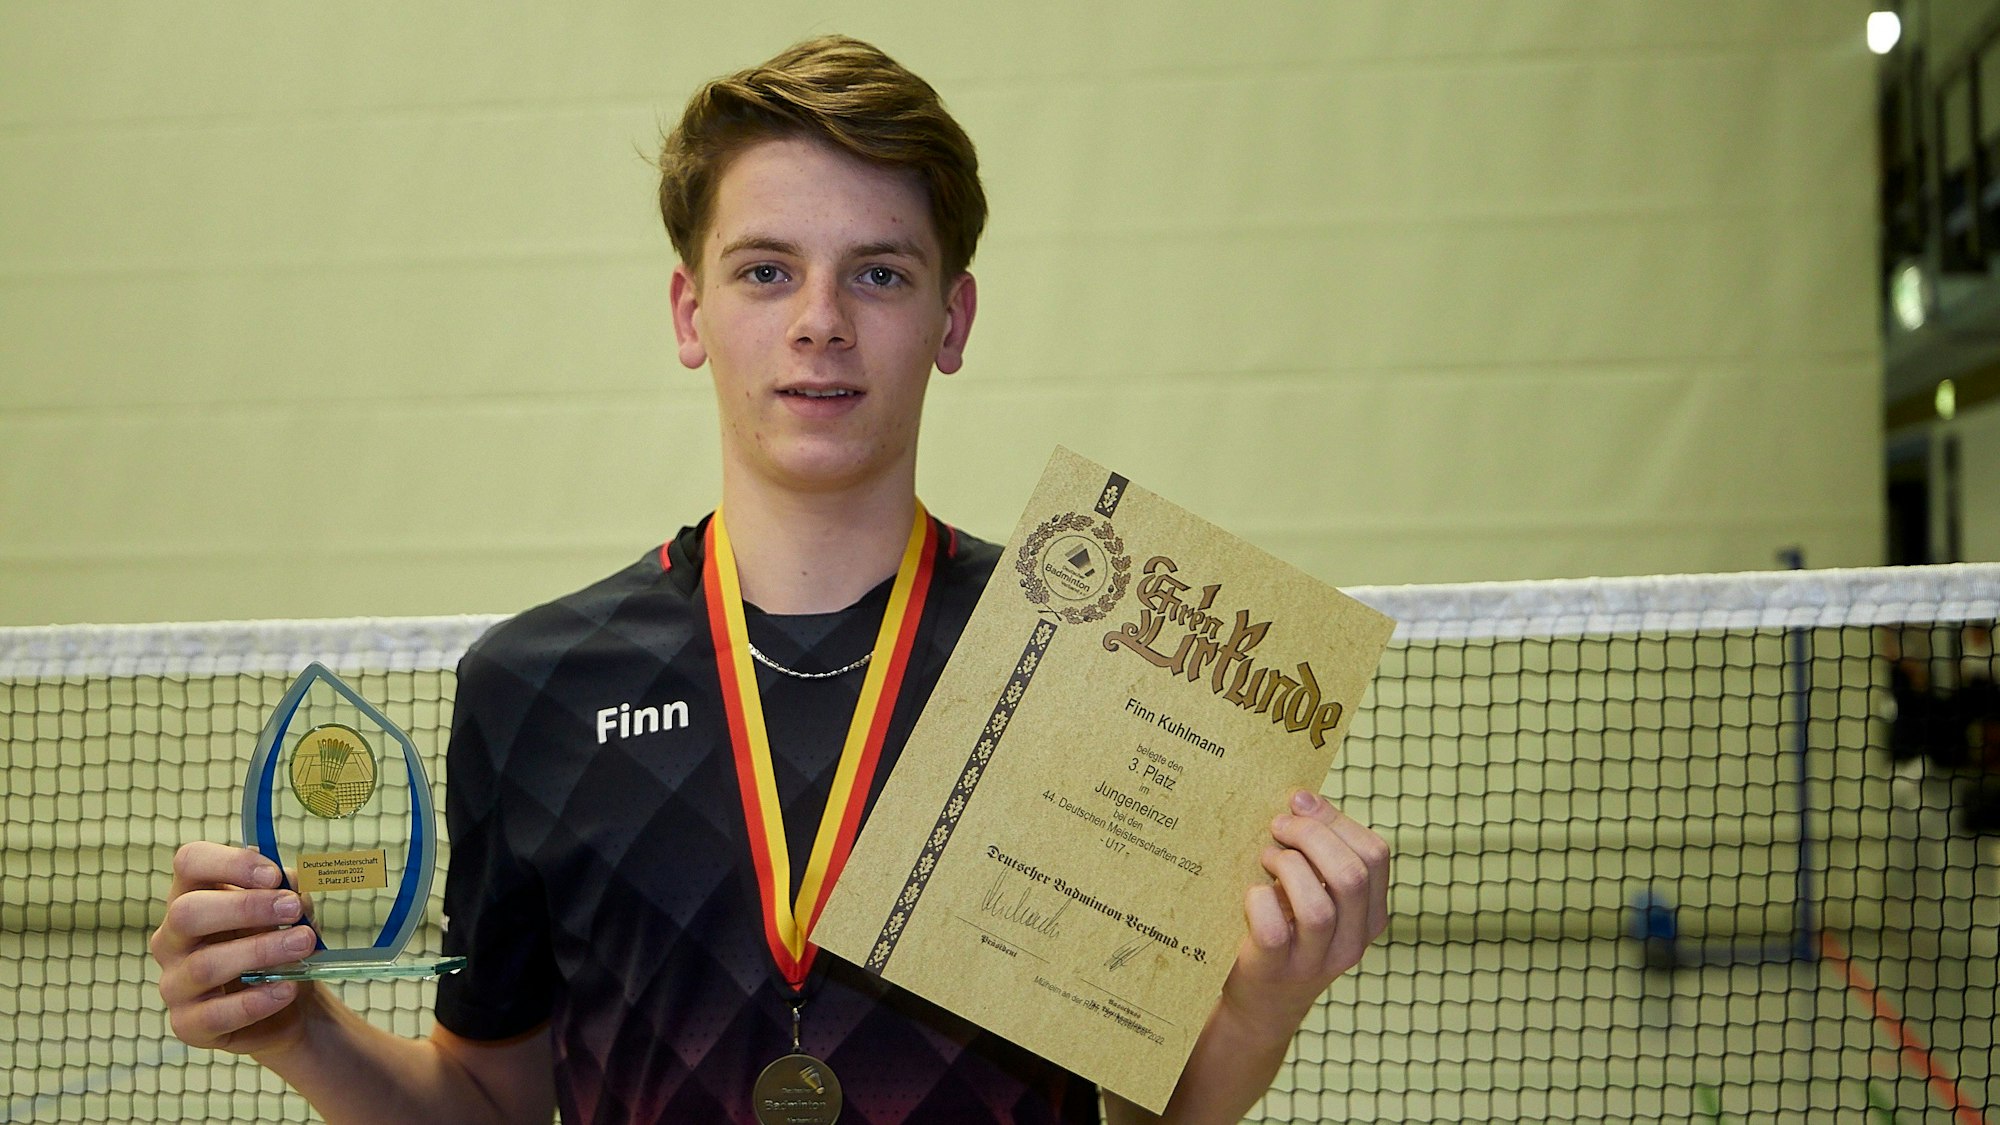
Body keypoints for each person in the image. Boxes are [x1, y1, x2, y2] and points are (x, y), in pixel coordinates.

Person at [150, 35, 1390, 1124]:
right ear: (690, 312)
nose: (819, 321)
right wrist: (300, 1034)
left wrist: (1261, 1003)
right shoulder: (529, 687)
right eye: (764, 270)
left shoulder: (1075, 663)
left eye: (879, 272)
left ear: (951, 322)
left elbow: (1150, 1113)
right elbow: (487, 1101)